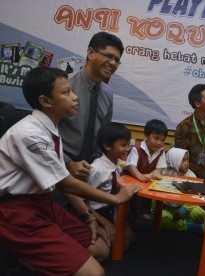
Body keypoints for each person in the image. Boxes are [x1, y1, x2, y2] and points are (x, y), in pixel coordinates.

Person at [0, 67, 140, 275]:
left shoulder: (51, 128)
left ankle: (32, 260)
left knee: (101, 250)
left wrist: (88, 216)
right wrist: (116, 199)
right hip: (17, 211)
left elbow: (59, 179)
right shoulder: (29, 133)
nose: (75, 98)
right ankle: (25, 257)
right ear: (46, 101)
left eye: (72, 91)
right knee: (96, 273)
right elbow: (65, 182)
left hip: (44, 203)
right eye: (66, 93)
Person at [59, 31, 124, 180]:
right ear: (91, 53)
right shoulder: (64, 84)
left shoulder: (107, 93)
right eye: (108, 56)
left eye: (117, 60)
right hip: (59, 168)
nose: (113, 63)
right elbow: (44, 134)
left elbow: (104, 136)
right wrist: (68, 163)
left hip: (91, 172)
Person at [86, 122, 135, 250]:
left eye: (128, 144)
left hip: (112, 210)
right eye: (123, 145)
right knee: (121, 245)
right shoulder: (97, 169)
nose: (127, 149)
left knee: (131, 238)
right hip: (97, 212)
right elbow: (84, 201)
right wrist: (103, 222)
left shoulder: (119, 164)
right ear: (107, 145)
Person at [126, 119, 167, 220]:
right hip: (133, 182)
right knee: (130, 207)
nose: (159, 143)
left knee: (145, 207)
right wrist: (140, 176)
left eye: (162, 140)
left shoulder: (161, 151)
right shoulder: (137, 149)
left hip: (147, 185)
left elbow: (160, 167)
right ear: (147, 135)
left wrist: (157, 172)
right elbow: (131, 166)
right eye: (156, 138)